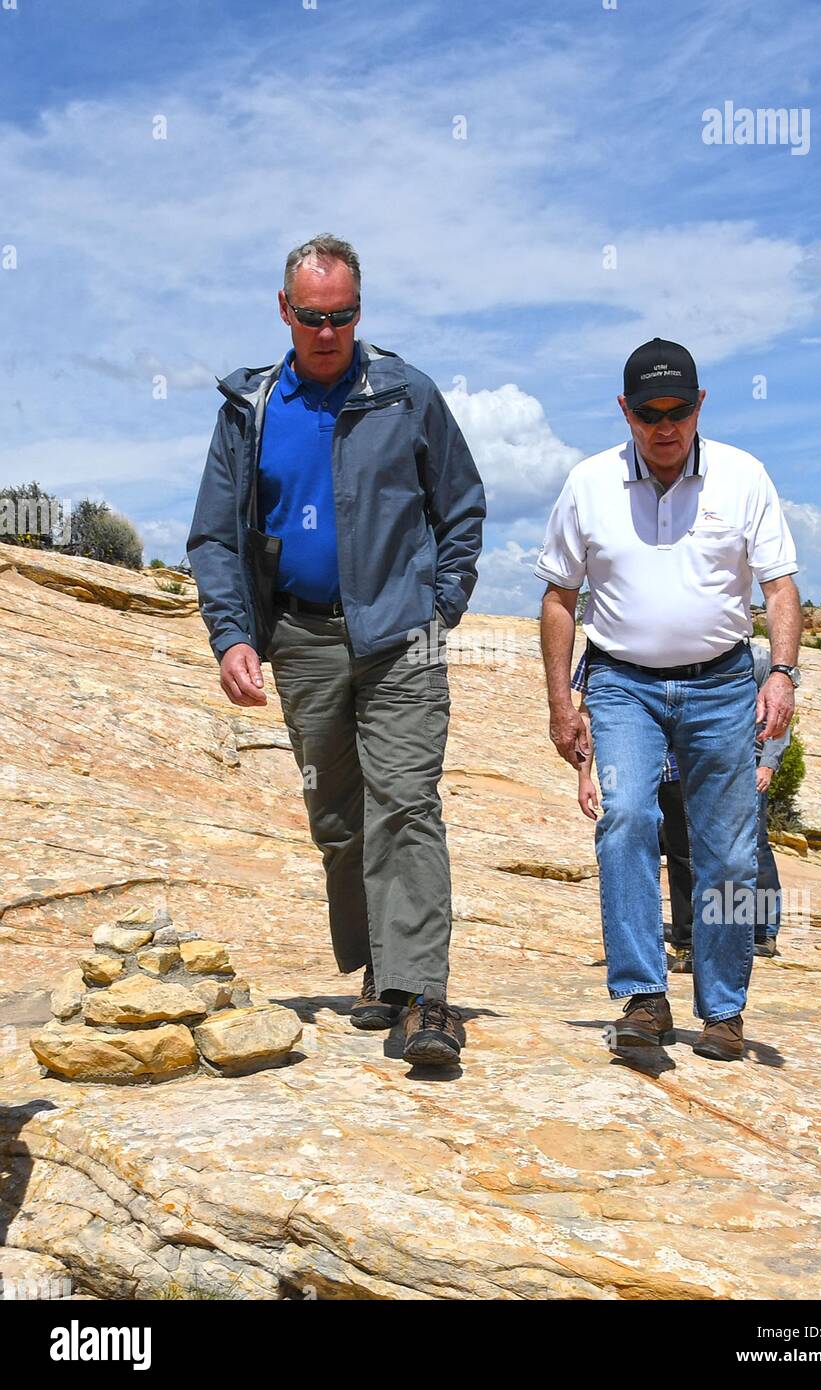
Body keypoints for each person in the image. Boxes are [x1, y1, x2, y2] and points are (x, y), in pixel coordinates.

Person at [186, 235, 486, 1066]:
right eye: (312, 316)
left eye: (343, 315)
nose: (328, 330)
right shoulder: (247, 410)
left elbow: (461, 508)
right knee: (338, 822)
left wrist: (442, 607)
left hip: (402, 638)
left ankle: (424, 997)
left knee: (407, 803)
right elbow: (214, 537)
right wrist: (233, 632)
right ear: (284, 310)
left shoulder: (404, 394)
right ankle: (378, 972)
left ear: (361, 309)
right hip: (302, 637)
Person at [535, 337, 801, 1062]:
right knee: (625, 818)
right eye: (647, 412)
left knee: (729, 854)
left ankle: (723, 1008)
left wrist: (779, 673)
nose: (664, 426)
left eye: (677, 410)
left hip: (720, 683)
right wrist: (562, 704)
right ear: (623, 411)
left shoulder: (743, 477)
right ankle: (643, 998)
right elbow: (559, 597)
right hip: (622, 683)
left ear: (699, 406)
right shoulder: (588, 484)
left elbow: (779, 586)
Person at [571, 641, 791, 971]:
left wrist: (768, 764)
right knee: (649, 843)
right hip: (644, 764)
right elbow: (587, 710)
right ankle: (669, 949)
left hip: (708, 765)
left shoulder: (746, 655)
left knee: (736, 849)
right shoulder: (608, 639)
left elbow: (780, 718)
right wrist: (584, 776)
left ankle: (753, 932)